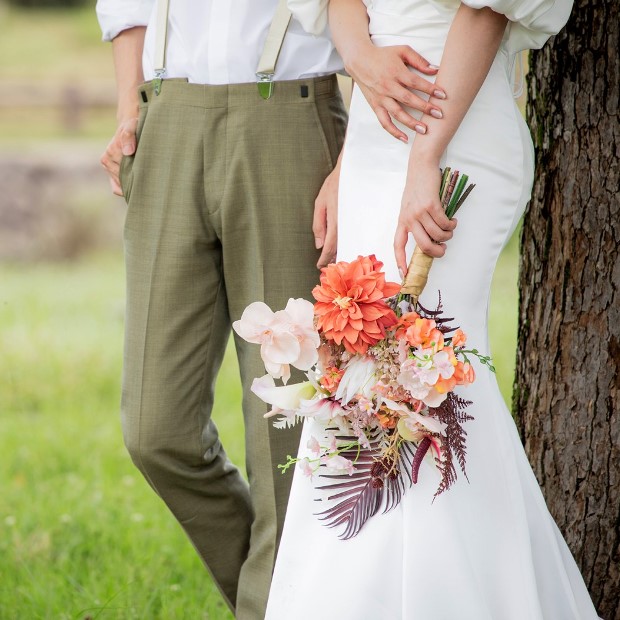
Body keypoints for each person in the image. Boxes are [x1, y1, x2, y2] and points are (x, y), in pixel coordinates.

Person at [95, 1, 444, 617]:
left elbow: (378, 19)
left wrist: (349, 158)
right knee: (155, 430)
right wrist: (131, 103)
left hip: (290, 118)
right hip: (164, 121)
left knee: (288, 428)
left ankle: (275, 608)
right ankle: (301, 599)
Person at [266, 1, 602, 618]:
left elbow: (487, 11)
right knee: (361, 375)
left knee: (436, 377)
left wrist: (425, 160)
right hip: (373, 137)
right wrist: (356, 113)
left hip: (455, 131)